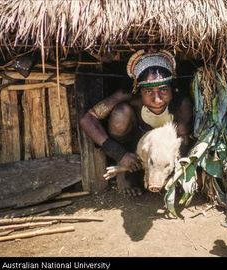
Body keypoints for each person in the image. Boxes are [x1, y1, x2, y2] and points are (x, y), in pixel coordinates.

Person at [79, 49, 194, 197]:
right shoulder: (129, 98)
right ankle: (127, 176)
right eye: (148, 92)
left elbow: (183, 145)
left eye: (164, 90)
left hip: (163, 158)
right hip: (133, 150)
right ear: (138, 90)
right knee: (121, 114)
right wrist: (120, 154)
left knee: (182, 131)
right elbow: (87, 119)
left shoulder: (181, 105)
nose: (157, 99)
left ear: (172, 88)